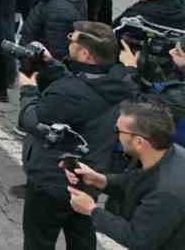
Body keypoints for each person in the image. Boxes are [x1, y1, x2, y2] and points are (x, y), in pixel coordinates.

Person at [17, 23, 133, 250]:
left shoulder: (69, 94)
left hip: (53, 179)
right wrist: (52, 65)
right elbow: (84, 81)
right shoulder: (118, 78)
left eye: (72, 39)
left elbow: (31, 120)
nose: (68, 40)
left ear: (85, 53)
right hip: (92, 174)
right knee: (81, 234)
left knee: (38, 240)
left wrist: (28, 89)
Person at [65, 102, 185, 245]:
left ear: (139, 142)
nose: (116, 136)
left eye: (118, 131)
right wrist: (100, 180)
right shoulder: (168, 153)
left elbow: (138, 240)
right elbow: (137, 181)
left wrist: (91, 210)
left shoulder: (166, 192)